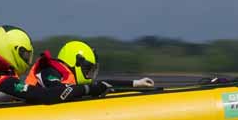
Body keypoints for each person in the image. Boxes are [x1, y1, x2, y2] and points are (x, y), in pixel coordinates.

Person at [0, 26, 112, 108]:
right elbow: (47, 96)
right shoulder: (2, 81)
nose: (28, 60)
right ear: (12, 51)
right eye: (25, 54)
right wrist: (90, 88)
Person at [25, 40, 154, 90]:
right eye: (87, 69)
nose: (88, 74)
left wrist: (137, 83)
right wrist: (87, 90)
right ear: (77, 62)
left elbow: (105, 83)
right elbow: (58, 90)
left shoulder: (66, 76)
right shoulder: (50, 71)